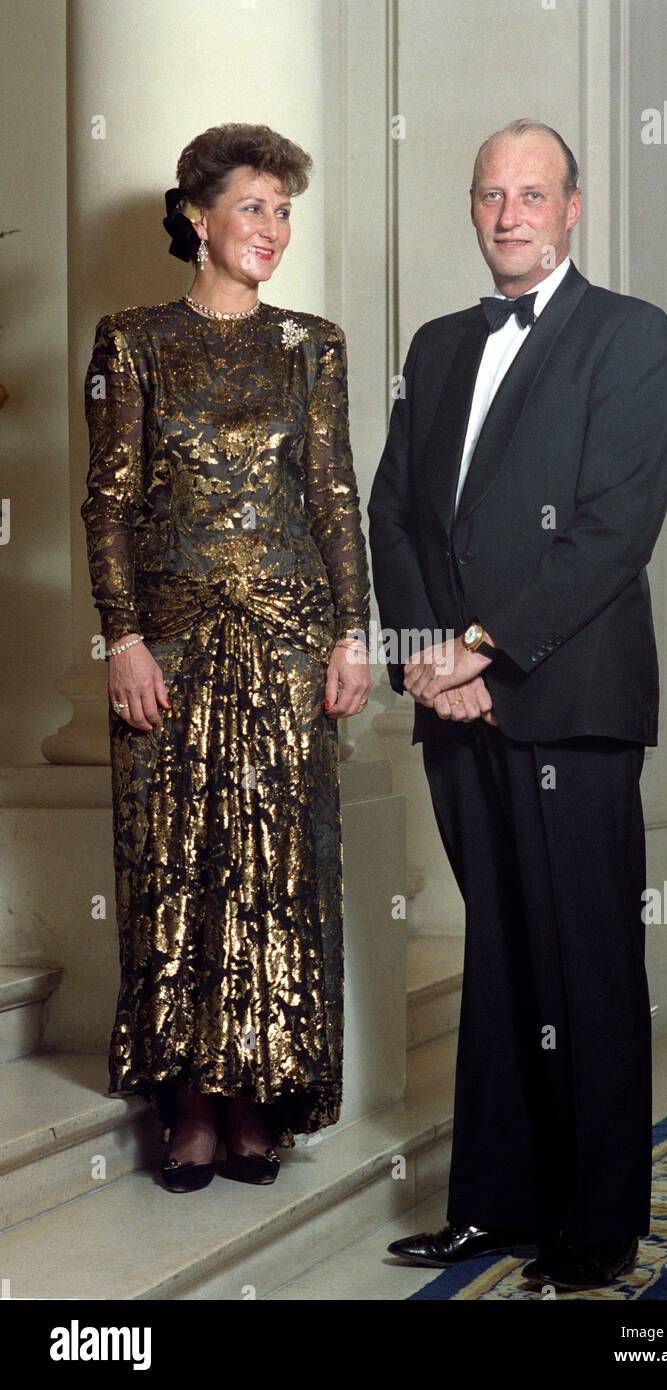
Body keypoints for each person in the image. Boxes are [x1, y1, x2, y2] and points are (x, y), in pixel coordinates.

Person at [368, 118, 667, 1290]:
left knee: (584, 963)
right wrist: (419, 658)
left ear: (571, 208)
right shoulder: (439, 343)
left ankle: (596, 1223)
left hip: (568, 702)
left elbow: (613, 531)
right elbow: (392, 510)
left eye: (531, 194)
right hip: (453, 705)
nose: (508, 214)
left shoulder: (630, 336)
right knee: (498, 956)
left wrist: (485, 653)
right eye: (490, 194)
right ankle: (494, 1203)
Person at [81, 122, 371, 1193]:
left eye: (284, 211)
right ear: (196, 217)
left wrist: (353, 632)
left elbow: (335, 500)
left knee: (276, 873)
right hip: (174, 646)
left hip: (290, 641)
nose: (272, 230)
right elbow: (107, 503)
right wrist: (121, 636)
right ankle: (188, 1106)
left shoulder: (313, 344)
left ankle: (260, 1103)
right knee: (178, 868)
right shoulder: (132, 340)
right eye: (253, 207)